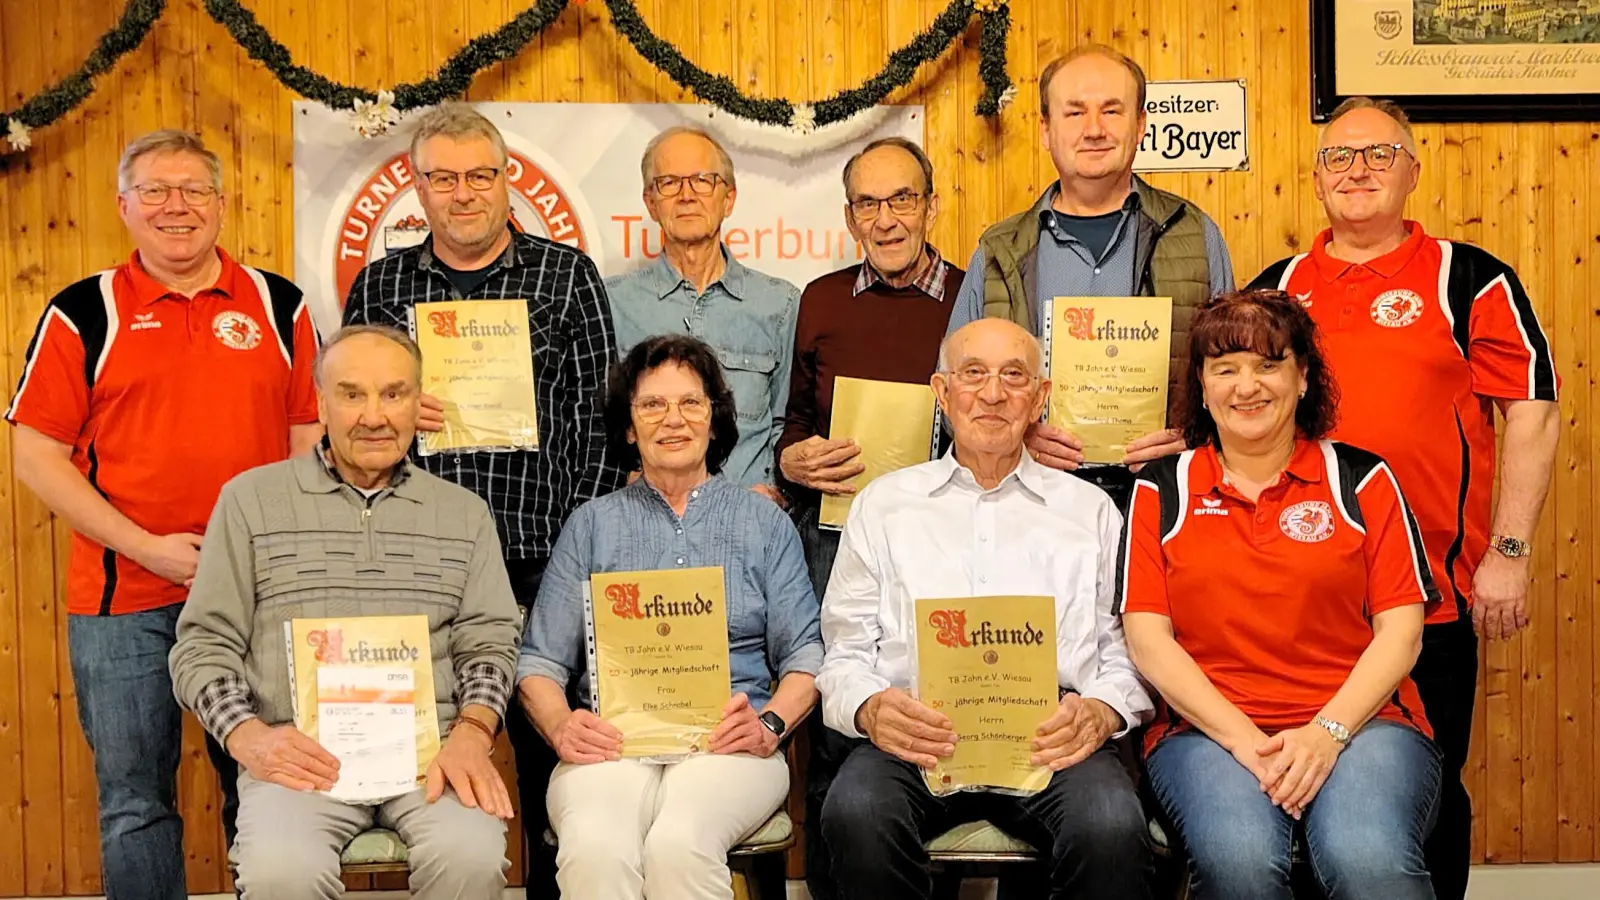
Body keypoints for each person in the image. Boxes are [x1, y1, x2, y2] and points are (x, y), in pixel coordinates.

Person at [1247, 97, 1559, 900]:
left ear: (1413, 171)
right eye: (1340, 157)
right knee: (1297, 787)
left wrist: (1510, 554)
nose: (1358, 171)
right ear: (1316, 179)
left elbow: (1531, 409)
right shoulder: (1275, 290)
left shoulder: (1470, 277)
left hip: (1432, 599)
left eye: (1379, 155)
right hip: (1300, 598)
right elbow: (1226, 412)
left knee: (1426, 793)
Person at [4, 129, 321, 900]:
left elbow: (308, 439)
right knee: (135, 805)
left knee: (268, 783)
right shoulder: (83, 312)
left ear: (221, 204)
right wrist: (147, 546)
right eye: (155, 190)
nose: (175, 207)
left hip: (258, 596)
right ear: (123, 205)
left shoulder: (280, 304)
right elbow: (34, 456)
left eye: (193, 191)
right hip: (123, 601)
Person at [342, 103, 628, 896]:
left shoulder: (565, 275)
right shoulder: (382, 282)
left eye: (478, 176)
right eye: (442, 178)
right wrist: (393, 415)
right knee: (412, 746)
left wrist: (580, 553)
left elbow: (598, 426)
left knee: (552, 754)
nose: (462, 194)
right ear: (416, 187)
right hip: (411, 559)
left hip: (541, 556)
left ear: (507, 181)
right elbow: (348, 422)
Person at [169, 324, 522, 899]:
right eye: (352, 394)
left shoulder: (464, 513)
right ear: (320, 403)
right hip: (300, 759)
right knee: (281, 873)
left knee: (473, 857)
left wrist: (474, 731)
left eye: (394, 393)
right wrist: (250, 737)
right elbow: (201, 646)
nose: (374, 416)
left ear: (418, 402)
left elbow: (489, 640)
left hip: (429, 760)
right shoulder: (249, 501)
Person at [1118, 289, 1441, 900]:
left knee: (1367, 860)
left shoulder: (1362, 478)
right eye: (1226, 369)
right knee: (1241, 864)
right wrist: (1247, 742)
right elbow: (1148, 640)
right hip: (1208, 733)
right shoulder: (1162, 489)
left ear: (1303, 378)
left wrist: (1326, 735)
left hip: (1362, 725)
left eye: (1269, 365)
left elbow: (1401, 632)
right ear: (1203, 388)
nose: (1248, 386)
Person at [817, 318, 1154, 900]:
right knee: (855, 812)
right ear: (942, 392)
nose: (993, 394)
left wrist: (1102, 710)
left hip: (1050, 737)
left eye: (1013, 376)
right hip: (918, 738)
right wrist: (870, 707)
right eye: (973, 374)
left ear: (1040, 396)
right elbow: (845, 648)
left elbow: (1122, 649)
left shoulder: (1090, 510)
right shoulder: (884, 505)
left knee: (1110, 825)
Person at [518, 334, 822, 899]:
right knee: (595, 847)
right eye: (652, 404)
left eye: (690, 402)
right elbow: (538, 661)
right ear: (629, 427)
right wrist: (562, 726)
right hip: (610, 743)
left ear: (715, 419)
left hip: (731, 743)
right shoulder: (591, 525)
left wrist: (770, 726)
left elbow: (806, 653)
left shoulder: (764, 524)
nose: (672, 419)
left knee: (678, 844)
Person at [773, 136, 962, 900]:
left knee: (937, 703)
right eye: (868, 203)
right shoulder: (818, 299)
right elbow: (791, 425)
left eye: (902, 199)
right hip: (835, 533)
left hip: (944, 534)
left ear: (931, 205)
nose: (886, 219)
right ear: (849, 215)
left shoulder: (971, 294)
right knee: (833, 717)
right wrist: (791, 462)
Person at [945, 44, 1235, 508]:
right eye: (1075, 112)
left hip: (1166, 500)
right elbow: (953, 387)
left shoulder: (1196, 235)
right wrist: (1015, 434)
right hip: (1030, 505)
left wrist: (1194, 437)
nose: (1094, 129)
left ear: (1140, 125)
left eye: (1112, 111)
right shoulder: (999, 250)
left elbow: (1236, 372)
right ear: (1045, 130)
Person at [607, 126, 799, 499]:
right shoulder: (613, 302)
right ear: (650, 202)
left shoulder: (781, 304)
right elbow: (599, 423)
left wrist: (777, 492)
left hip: (748, 524)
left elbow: (788, 423)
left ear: (728, 199)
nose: (686, 196)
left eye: (702, 180)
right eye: (669, 183)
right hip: (646, 526)